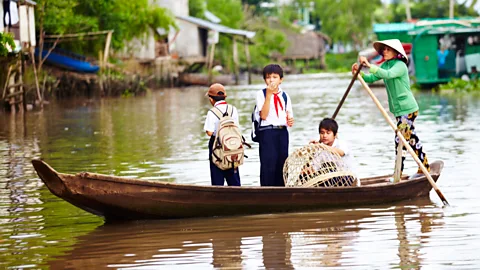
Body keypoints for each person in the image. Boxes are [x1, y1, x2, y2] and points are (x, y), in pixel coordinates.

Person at [351, 39, 430, 174]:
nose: (384, 52)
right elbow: (372, 78)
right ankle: (419, 167)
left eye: (387, 49)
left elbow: (388, 75)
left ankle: (401, 171)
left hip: (408, 109)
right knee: (407, 139)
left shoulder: (400, 66)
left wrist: (369, 65)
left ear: (395, 52)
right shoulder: (386, 65)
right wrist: (360, 73)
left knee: (400, 140)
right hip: (399, 111)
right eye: (383, 50)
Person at [254, 64, 294, 186]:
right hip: (267, 132)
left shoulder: (285, 96)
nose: (271, 80)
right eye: (268, 77)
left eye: (274, 77)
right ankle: (266, 192)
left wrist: (290, 121)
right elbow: (264, 115)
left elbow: (289, 116)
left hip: (282, 132)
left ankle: (281, 192)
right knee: (268, 164)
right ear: (264, 79)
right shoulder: (261, 94)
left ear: (280, 80)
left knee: (282, 163)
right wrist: (269, 95)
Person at [203, 83, 241, 186]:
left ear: (211, 99)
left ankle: (218, 197)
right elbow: (236, 127)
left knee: (217, 178)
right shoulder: (233, 109)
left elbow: (210, 132)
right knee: (233, 175)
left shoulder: (212, 112)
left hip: (217, 145)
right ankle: (238, 196)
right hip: (233, 145)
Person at [309, 118, 358, 186]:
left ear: (335, 135)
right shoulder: (320, 149)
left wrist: (322, 146)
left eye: (328, 133)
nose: (324, 136)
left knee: (331, 175)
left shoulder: (342, 143)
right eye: (322, 133)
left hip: (347, 178)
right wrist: (311, 151)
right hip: (329, 181)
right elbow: (314, 168)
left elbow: (341, 153)